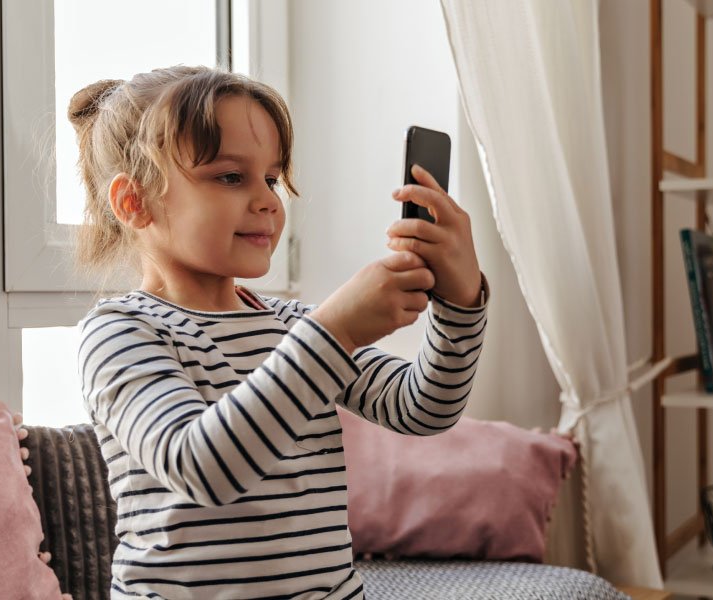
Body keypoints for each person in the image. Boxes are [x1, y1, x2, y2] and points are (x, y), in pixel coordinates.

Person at [71, 65, 488, 599]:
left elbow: (425, 408)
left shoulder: (287, 324)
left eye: (271, 177)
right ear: (134, 203)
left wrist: (460, 299)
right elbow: (200, 467)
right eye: (230, 176)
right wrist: (332, 332)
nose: (269, 199)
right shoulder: (121, 333)